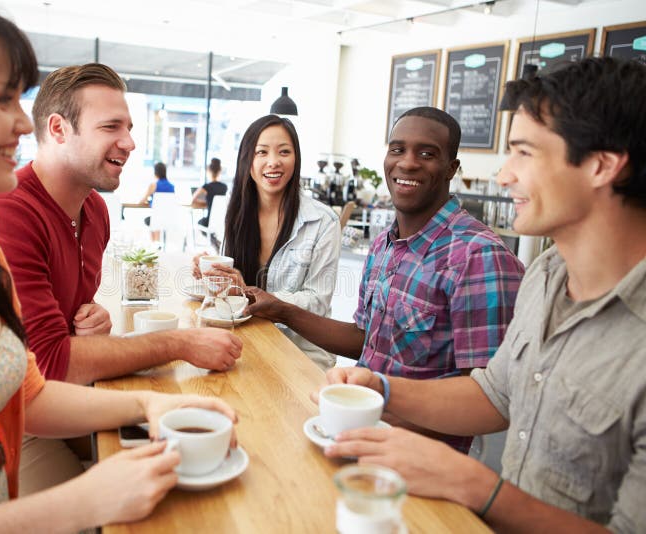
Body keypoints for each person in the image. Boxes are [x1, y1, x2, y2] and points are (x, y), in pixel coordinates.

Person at [0, 1, 236, 531]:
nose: (22, 122)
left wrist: (149, 403)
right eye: (2, 98)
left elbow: (28, 392)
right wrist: (85, 503)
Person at [321, 57, 646, 532]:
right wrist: (383, 390)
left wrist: (475, 485)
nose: (503, 175)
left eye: (524, 153)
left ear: (601, 165)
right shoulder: (546, 276)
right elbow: (495, 394)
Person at [0, 63, 241, 495]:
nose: (131, 142)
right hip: (11, 421)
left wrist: (88, 321)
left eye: (130, 127)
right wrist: (180, 343)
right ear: (59, 130)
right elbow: (49, 364)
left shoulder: (95, 211)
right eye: (111, 127)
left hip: (60, 398)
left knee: (192, 455)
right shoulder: (8, 210)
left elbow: (54, 327)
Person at [246, 107, 524, 451]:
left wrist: (379, 406)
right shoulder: (383, 245)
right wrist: (281, 310)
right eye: (397, 149)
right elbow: (365, 339)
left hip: (417, 457)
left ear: (451, 168)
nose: (407, 163)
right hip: (354, 431)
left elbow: (488, 399)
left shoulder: (479, 255)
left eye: (427, 153)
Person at [194, 115, 341, 369]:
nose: (273, 162)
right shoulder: (234, 214)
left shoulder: (322, 221)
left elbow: (317, 302)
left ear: (296, 160)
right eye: (262, 152)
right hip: (245, 339)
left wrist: (249, 295)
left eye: (284, 151)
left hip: (300, 352)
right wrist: (214, 277)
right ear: (248, 161)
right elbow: (228, 293)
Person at [191, 157, 228, 246]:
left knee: (200, 222)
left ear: (208, 171)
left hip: (209, 221)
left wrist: (204, 203)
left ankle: (213, 242)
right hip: (222, 221)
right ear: (219, 171)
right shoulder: (224, 187)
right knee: (210, 226)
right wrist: (207, 203)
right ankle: (215, 242)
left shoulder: (207, 186)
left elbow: (193, 199)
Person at [139, 161, 175, 241]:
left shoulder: (154, 185)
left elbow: (141, 201)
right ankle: (158, 244)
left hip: (156, 218)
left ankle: (154, 243)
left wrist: (149, 202)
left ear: (155, 172)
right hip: (169, 217)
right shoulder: (172, 187)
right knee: (157, 219)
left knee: (151, 220)